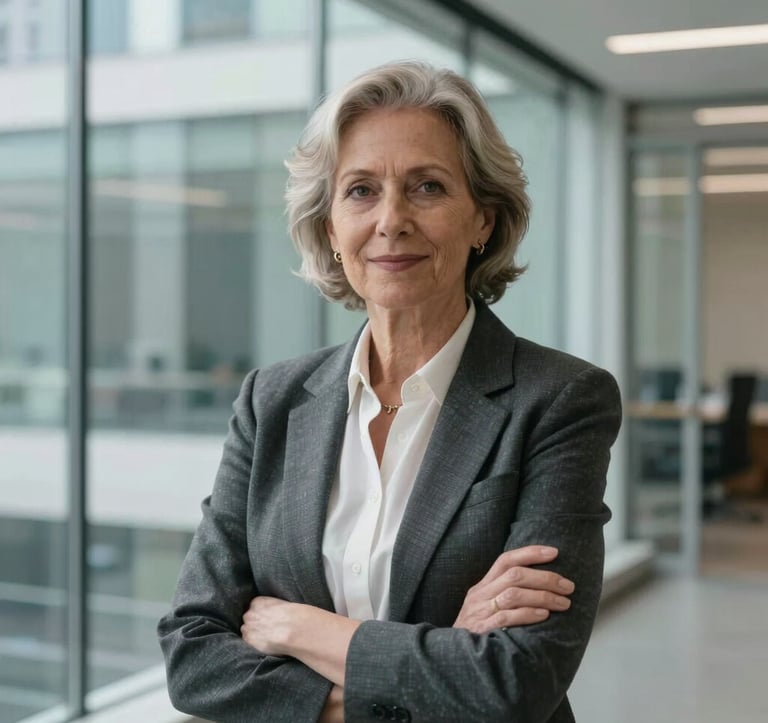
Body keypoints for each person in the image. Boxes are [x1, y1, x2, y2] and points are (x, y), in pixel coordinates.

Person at [158, 61, 622, 723]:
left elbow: (518, 680)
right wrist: (439, 659)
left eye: (427, 186)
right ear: (329, 227)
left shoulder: (561, 400)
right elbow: (193, 654)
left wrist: (298, 629)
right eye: (361, 191)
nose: (391, 219)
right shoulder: (272, 402)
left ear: (482, 219)